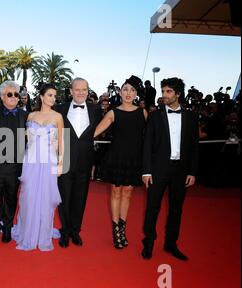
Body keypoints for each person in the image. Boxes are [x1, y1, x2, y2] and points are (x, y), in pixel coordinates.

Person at [141, 77, 199, 261]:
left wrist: (192, 171)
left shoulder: (190, 117)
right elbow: (147, 145)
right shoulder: (155, 116)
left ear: (178, 94)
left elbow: (194, 146)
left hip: (180, 171)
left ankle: (171, 244)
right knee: (152, 208)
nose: (164, 95)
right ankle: (148, 242)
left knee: (176, 209)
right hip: (158, 169)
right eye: (163, 91)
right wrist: (146, 171)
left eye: (169, 92)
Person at [93, 75, 147, 249]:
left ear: (136, 93)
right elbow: (94, 132)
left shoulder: (142, 113)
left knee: (128, 194)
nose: (128, 93)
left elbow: (152, 137)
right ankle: (116, 231)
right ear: (120, 92)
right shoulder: (113, 112)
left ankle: (122, 228)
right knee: (116, 194)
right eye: (125, 89)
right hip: (116, 157)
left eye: (132, 90)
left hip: (134, 159)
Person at [11, 83, 63, 251]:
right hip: (31, 160)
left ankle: (42, 233)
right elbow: (25, 140)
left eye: (55, 96)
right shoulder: (30, 116)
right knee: (29, 196)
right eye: (50, 95)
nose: (53, 98)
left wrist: (61, 163)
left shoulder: (57, 117)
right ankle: (26, 230)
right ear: (41, 96)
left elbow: (62, 142)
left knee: (46, 197)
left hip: (48, 161)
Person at [55, 78, 101, 248]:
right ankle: (65, 231)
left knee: (80, 197)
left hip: (85, 161)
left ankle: (75, 231)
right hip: (64, 160)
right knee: (64, 197)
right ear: (71, 91)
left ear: (88, 91)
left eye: (84, 89)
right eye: (77, 89)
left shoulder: (96, 110)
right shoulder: (60, 109)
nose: (81, 93)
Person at [0, 81, 28, 243]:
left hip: (15, 166)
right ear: (2, 96)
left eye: (16, 94)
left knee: (11, 198)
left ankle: (7, 228)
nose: (13, 97)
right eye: (9, 94)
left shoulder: (26, 116)